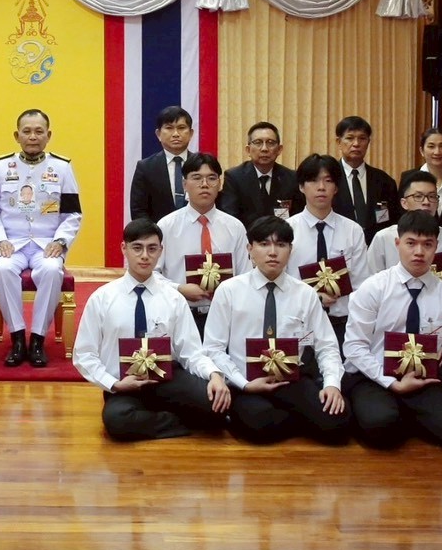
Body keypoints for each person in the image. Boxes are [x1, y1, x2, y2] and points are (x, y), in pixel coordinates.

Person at [73, 219, 230, 441]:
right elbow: (84, 354)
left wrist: (214, 374)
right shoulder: (102, 298)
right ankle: (177, 421)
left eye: (152, 248)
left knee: (218, 406)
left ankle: (154, 417)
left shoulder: (174, 298)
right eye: (137, 248)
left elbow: (191, 352)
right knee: (117, 420)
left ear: (160, 251)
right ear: (124, 248)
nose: (145, 256)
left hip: (168, 378)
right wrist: (113, 384)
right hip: (124, 382)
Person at [205, 216, 350, 444]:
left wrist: (331, 384)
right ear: (250, 249)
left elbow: (327, 346)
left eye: (281, 245)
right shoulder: (229, 290)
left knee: (338, 422)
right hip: (245, 380)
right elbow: (213, 348)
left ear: (290, 250)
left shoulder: (305, 293)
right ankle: (294, 420)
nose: (273, 252)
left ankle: (286, 417)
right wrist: (243, 384)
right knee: (258, 425)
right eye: (264, 244)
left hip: (291, 379)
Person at [342, 211, 442, 451]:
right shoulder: (374, 288)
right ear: (397, 243)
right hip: (374, 376)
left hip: (424, 377)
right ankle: (397, 412)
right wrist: (392, 384)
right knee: (380, 427)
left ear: (436, 246)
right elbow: (354, 347)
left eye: (427, 244)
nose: (419, 252)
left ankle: (408, 414)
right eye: (411, 243)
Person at [0, 108, 83, 367]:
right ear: (17, 136)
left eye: (39, 131)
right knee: (2, 270)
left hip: (46, 245)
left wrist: (60, 241)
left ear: (49, 135)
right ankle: (17, 338)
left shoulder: (62, 168)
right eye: (27, 131)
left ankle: (37, 339)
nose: (33, 136)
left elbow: (72, 214)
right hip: (11, 244)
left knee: (51, 270)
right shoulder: (1, 167)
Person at [155, 153, 250, 336]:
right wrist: (179, 289)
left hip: (225, 317)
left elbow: (246, 275)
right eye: (197, 178)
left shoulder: (235, 227)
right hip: (180, 314)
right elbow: (152, 274)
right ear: (184, 184)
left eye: (211, 178)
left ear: (220, 184)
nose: (204, 184)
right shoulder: (166, 226)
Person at [286, 154, 372, 340]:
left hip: (342, 323)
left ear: (336, 187)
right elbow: (282, 281)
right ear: (301, 186)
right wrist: (314, 298)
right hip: (298, 323)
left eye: (328, 181)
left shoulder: (352, 230)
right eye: (313, 181)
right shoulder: (287, 230)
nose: (321, 187)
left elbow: (361, 283)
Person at [367, 172, 442, 293]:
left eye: (432, 196)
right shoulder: (384, 237)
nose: (426, 202)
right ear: (404, 203)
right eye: (418, 196)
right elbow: (370, 282)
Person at [330, 115, 399, 244]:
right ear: (339, 142)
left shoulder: (385, 181)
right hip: (338, 248)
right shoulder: (329, 179)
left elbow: (393, 223)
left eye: (362, 138)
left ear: (368, 142)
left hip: (376, 249)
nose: (356, 144)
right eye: (350, 138)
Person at [217, 121, 298, 229]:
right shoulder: (235, 177)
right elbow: (230, 218)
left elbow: (297, 217)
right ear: (248, 150)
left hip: (281, 237)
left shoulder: (291, 178)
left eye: (270, 143)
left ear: (279, 149)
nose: (264, 148)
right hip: (246, 237)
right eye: (258, 142)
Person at [397, 125, 442, 236]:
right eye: (431, 146)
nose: (437, 152)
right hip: (417, 238)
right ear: (422, 150)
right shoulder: (409, 177)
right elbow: (401, 214)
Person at [128, 105, 195, 221]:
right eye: (169, 128)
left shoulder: (201, 165)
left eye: (181, 128)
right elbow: (138, 211)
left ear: (191, 133)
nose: (176, 134)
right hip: (158, 231)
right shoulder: (146, 168)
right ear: (158, 134)